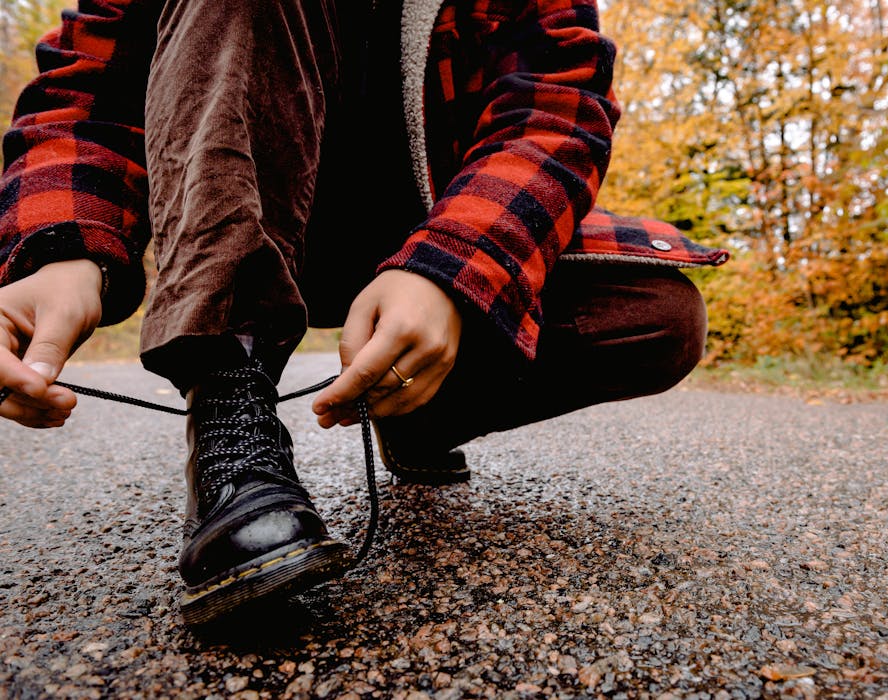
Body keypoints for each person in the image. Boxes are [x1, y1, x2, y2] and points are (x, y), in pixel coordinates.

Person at [0, 0, 728, 626]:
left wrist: (450, 269)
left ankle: (416, 402)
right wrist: (61, 250)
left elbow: (554, 112)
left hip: (430, 222)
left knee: (656, 315)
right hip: (240, 208)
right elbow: (84, 94)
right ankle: (228, 405)